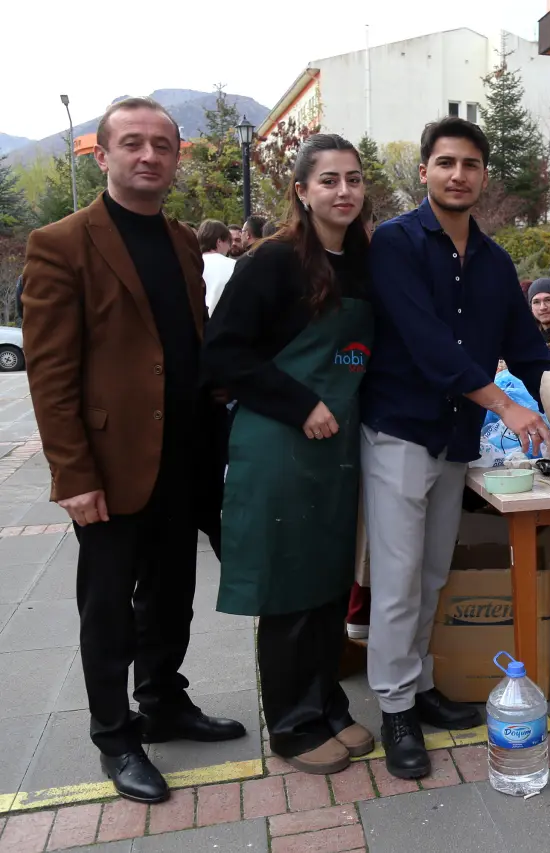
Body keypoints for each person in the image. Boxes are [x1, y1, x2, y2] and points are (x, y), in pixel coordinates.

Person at [20, 96, 244, 804]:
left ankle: (163, 702)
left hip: (184, 456)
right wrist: (73, 475)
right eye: (134, 144)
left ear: (177, 157)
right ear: (105, 154)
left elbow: (193, 343)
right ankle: (115, 736)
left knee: (173, 594)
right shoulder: (61, 243)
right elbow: (51, 373)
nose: (149, 155)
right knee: (110, 605)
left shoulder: (181, 240)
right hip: (111, 466)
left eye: (162, 145)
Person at [361, 116, 550, 780]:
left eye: (470, 164)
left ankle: (416, 686)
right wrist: (504, 403)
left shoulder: (497, 262)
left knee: (431, 575)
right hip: (399, 429)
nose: (458, 174)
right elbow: (426, 344)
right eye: (445, 162)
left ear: (483, 175)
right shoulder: (394, 243)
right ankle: (394, 707)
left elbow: (529, 350)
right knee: (395, 581)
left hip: (455, 436)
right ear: (424, 171)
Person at [203, 134, 377, 776]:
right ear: (301, 191)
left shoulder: (361, 260)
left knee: (328, 584)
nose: (344, 191)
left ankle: (327, 703)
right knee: (288, 589)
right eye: (328, 180)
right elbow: (221, 352)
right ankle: (292, 724)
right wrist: (300, 404)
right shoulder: (272, 262)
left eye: (354, 179)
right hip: (280, 442)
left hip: (338, 450)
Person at [197, 219, 237, 313]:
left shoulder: (191, 264)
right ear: (219, 241)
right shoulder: (234, 266)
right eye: (228, 242)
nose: (229, 247)